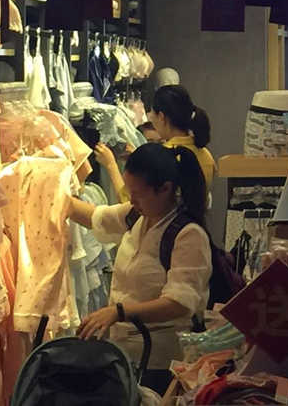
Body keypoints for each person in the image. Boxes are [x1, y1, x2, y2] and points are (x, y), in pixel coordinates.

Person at [68, 143, 212, 395]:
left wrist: (118, 312)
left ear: (165, 189)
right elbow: (94, 217)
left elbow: (179, 303)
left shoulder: (188, 235)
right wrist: (49, 185)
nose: (131, 199)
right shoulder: (137, 216)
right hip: (126, 356)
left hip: (163, 363)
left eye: (138, 193)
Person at [95, 84, 216, 204]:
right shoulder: (206, 155)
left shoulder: (163, 158)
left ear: (161, 117)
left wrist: (110, 164)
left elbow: (130, 203)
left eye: (152, 112)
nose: (150, 117)